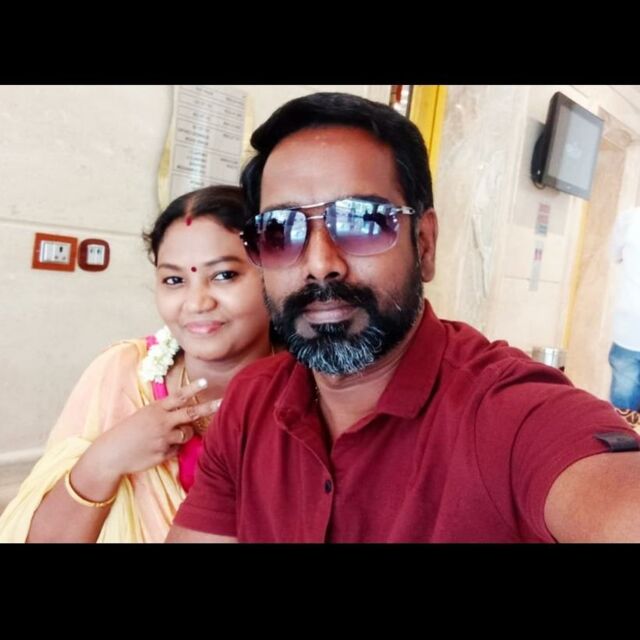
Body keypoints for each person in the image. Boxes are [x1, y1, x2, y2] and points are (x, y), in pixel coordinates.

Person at [167, 92, 640, 543]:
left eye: (362, 220)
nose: (320, 263)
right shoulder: (251, 403)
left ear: (425, 244)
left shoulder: (507, 416)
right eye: (280, 229)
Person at [0, 185, 272, 542]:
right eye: (174, 280)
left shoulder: (318, 387)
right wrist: (105, 460)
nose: (196, 302)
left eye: (224, 275)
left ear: (275, 273)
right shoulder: (120, 373)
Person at [608, 206, 640, 428]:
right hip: (629, 329)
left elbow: (615, 254)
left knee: (623, 417)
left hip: (630, 328)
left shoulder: (631, 219)